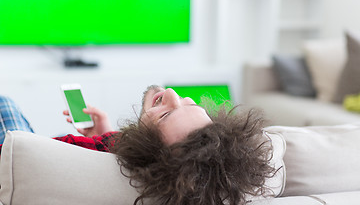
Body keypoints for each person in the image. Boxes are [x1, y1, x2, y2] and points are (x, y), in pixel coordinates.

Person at [0, 85, 277, 205]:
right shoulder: (118, 149)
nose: (171, 93)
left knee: (5, 104)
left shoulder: (89, 152)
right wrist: (106, 133)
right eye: (189, 103)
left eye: (167, 114)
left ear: (147, 151)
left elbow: (21, 155)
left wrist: (99, 140)